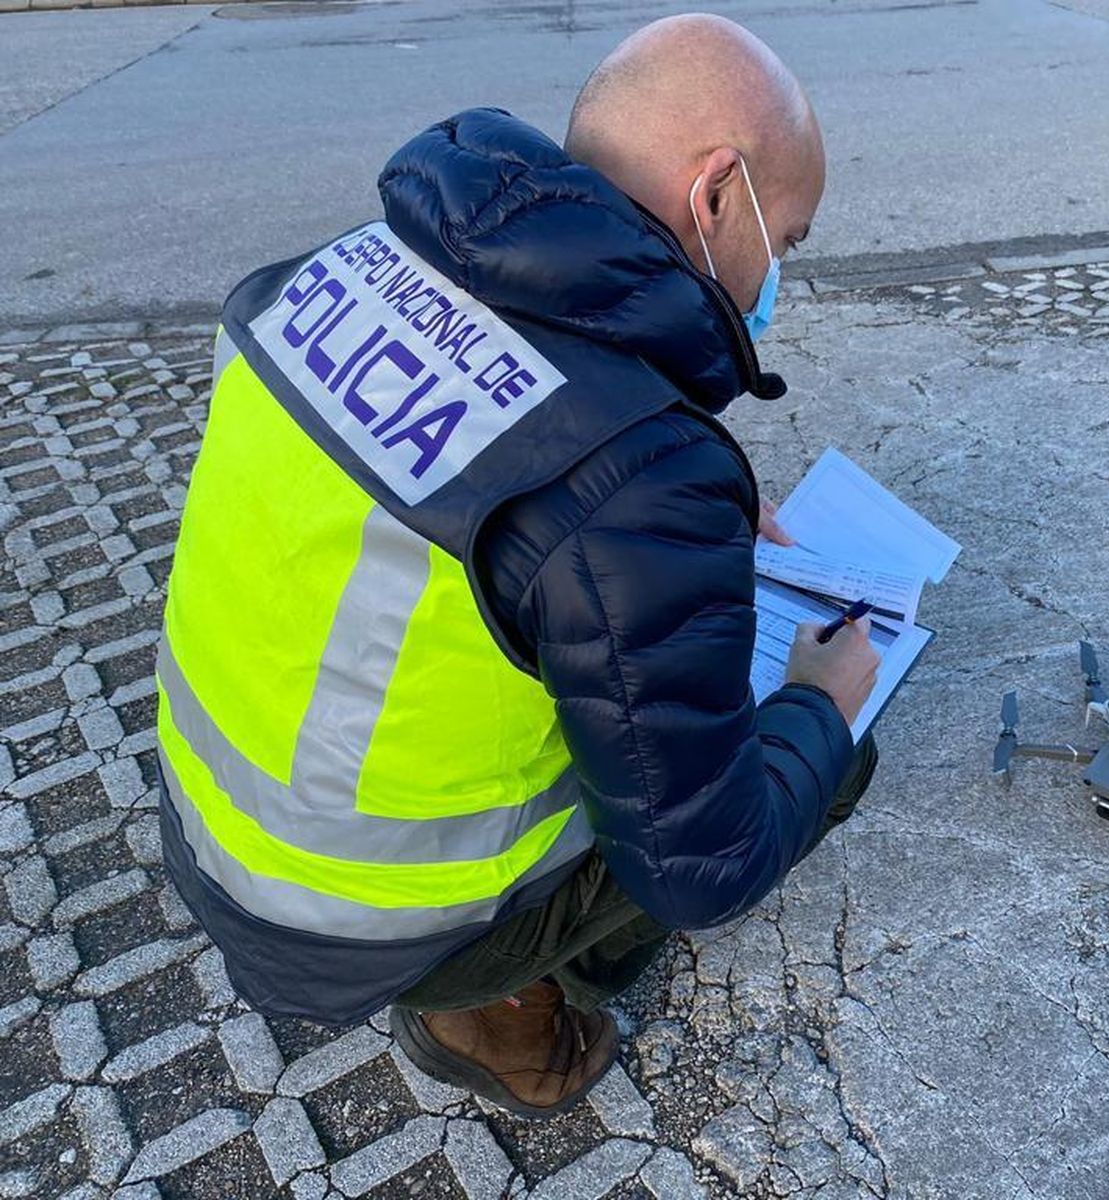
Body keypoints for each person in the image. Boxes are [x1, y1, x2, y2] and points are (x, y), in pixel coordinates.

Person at [154, 13, 880, 1118]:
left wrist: (674, 522)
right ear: (716, 194)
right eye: (788, 238)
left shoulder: (336, 269)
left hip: (212, 822)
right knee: (818, 751)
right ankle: (501, 1005)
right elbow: (704, 865)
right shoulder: (635, 476)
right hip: (362, 917)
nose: (774, 280)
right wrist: (819, 704)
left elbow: (470, 487)